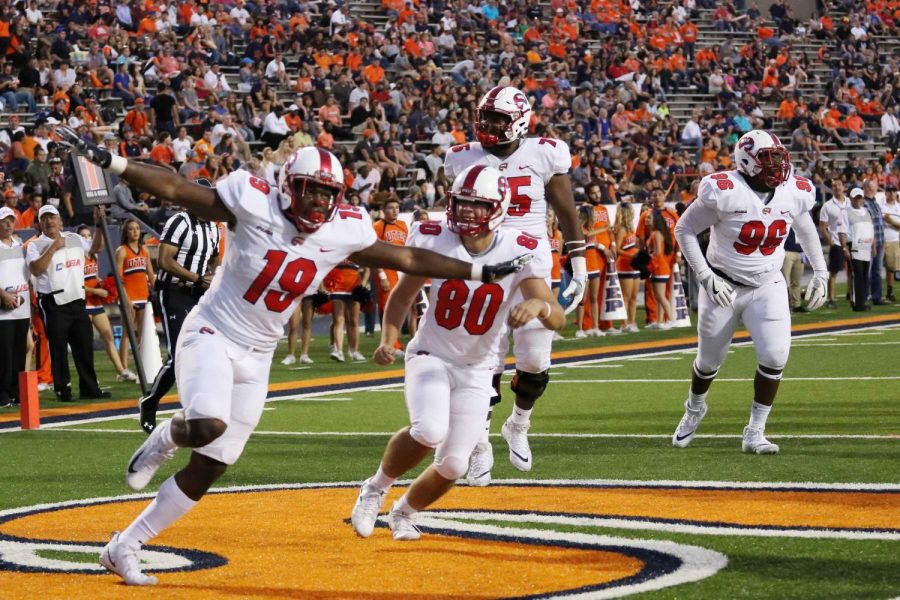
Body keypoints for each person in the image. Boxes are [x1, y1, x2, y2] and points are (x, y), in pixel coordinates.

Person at [57, 129, 527, 586]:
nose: (320, 204)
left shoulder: (345, 228)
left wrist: (478, 269)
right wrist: (111, 162)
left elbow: (406, 260)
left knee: (212, 464)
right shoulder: (253, 202)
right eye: (311, 192)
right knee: (207, 424)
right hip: (213, 331)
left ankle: (126, 544)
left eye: (328, 194)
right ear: (288, 186)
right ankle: (166, 435)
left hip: (260, 352)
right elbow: (178, 187)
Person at [350, 165, 564, 540]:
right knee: (429, 430)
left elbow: (557, 315)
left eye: (477, 205)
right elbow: (401, 296)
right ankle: (375, 489)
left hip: (480, 368)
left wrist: (539, 308)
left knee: (453, 465)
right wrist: (388, 339)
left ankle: (403, 514)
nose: (466, 211)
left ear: (497, 208)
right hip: (431, 353)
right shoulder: (434, 236)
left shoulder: (519, 248)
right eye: (461, 201)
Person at [442, 85, 586, 485]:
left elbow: (566, 212)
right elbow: (452, 217)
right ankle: (478, 443)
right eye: (485, 117)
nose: (488, 126)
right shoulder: (461, 158)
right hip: (483, 264)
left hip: (532, 267)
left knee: (535, 361)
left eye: (498, 119)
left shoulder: (544, 152)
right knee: (479, 359)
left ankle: (518, 424)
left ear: (520, 121)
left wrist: (579, 262)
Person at [671, 130, 828, 455]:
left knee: (775, 357)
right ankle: (694, 407)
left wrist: (821, 271)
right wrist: (704, 275)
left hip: (768, 283)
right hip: (722, 283)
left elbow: (805, 227)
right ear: (745, 161)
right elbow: (684, 229)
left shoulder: (794, 191)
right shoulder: (726, 190)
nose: (777, 167)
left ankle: (755, 431)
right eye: (767, 160)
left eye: (778, 159)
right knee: (708, 361)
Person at [138, 205, 221, 434]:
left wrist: (208, 277)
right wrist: (196, 278)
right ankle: (151, 401)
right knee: (179, 355)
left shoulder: (213, 228)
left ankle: (200, 410)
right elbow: (164, 260)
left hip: (198, 294)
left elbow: (213, 258)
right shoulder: (180, 221)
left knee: (207, 352)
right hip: (174, 291)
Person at [25, 205, 109, 402]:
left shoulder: (75, 238)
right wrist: (53, 247)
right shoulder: (34, 245)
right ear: (39, 223)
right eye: (44, 218)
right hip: (54, 302)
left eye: (52, 217)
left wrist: (99, 225)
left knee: (84, 346)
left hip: (77, 300)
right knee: (59, 348)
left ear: (59, 219)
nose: (49, 221)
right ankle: (63, 389)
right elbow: (36, 270)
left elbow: (97, 247)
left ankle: (90, 387)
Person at [78, 225, 139, 383]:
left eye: (89, 236)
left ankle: (122, 371)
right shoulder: (77, 258)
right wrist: (97, 291)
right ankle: (89, 378)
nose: (87, 239)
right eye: (83, 236)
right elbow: (77, 283)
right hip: (83, 303)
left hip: (95, 302)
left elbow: (93, 276)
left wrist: (104, 284)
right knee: (84, 343)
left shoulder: (94, 256)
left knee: (108, 336)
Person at [115, 219, 156, 375]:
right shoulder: (122, 251)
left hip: (143, 297)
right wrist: (127, 300)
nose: (135, 231)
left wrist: (158, 291)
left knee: (141, 333)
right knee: (128, 332)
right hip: (129, 298)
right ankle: (123, 370)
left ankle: (141, 365)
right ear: (126, 232)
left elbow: (150, 275)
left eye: (137, 228)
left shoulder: (144, 250)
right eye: (131, 229)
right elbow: (119, 279)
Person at [0, 206, 29, 408]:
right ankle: (2, 394)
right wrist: (3, 295)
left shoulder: (19, 244)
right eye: (4, 221)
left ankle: (16, 392)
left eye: (11, 220)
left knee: (20, 352)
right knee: (4, 355)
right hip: (3, 310)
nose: (9, 224)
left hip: (21, 308)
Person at [324, 259, 369, 362]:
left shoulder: (356, 251)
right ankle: (338, 351)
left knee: (353, 321)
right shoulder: (337, 250)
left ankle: (354, 351)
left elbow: (367, 269)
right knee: (338, 320)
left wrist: (363, 284)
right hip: (337, 288)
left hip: (354, 289)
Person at [841, 187, 875, 311]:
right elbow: (842, 232)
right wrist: (845, 249)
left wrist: (873, 246)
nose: (858, 200)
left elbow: (871, 230)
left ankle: (863, 301)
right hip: (854, 246)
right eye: (855, 198)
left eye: (859, 198)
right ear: (851, 198)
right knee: (857, 275)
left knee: (865, 275)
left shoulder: (866, 211)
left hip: (866, 247)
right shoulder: (845, 212)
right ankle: (857, 303)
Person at [819, 177, 849, 308]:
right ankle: (831, 299)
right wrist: (830, 242)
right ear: (832, 189)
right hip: (836, 242)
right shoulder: (827, 206)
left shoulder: (850, 202)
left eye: (839, 185)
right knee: (834, 272)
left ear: (844, 187)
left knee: (853, 271)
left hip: (851, 241)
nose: (837, 187)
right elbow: (822, 226)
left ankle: (851, 294)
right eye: (834, 185)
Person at [614, 202, 640, 332]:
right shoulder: (622, 229)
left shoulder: (631, 228)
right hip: (624, 266)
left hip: (634, 266)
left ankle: (632, 322)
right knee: (626, 296)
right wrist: (630, 256)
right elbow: (617, 250)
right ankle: (624, 324)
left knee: (634, 297)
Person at [648, 210, 676, 328]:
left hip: (659, 267)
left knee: (660, 296)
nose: (646, 219)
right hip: (658, 267)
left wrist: (646, 256)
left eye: (649, 218)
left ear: (655, 220)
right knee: (658, 296)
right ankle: (659, 322)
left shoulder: (656, 234)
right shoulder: (655, 233)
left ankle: (671, 320)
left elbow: (658, 252)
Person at [880, 185, 900, 302]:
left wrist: (890, 221)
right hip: (882, 240)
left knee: (891, 268)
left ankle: (890, 291)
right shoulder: (881, 206)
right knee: (876, 269)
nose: (891, 193)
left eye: (893, 191)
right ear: (886, 193)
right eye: (889, 191)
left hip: (893, 240)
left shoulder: (899, 207)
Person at [781, 229, 806, 312]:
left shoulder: (801, 221)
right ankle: (783, 305)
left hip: (800, 252)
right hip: (787, 251)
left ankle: (796, 305)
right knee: (784, 281)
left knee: (796, 282)